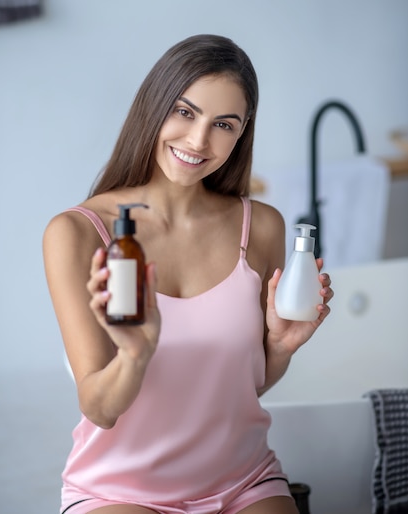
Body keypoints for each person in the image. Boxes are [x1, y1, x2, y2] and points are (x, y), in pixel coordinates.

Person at [43, 34, 333, 514]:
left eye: (223, 124)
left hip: (245, 480)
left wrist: (279, 348)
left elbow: (238, 387)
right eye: (184, 112)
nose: (199, 141)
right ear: (154, 107)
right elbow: (99, 407)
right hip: (119, 489)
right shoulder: (78, 233)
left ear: (242, 133)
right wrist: (135, 353)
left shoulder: (260, 226)